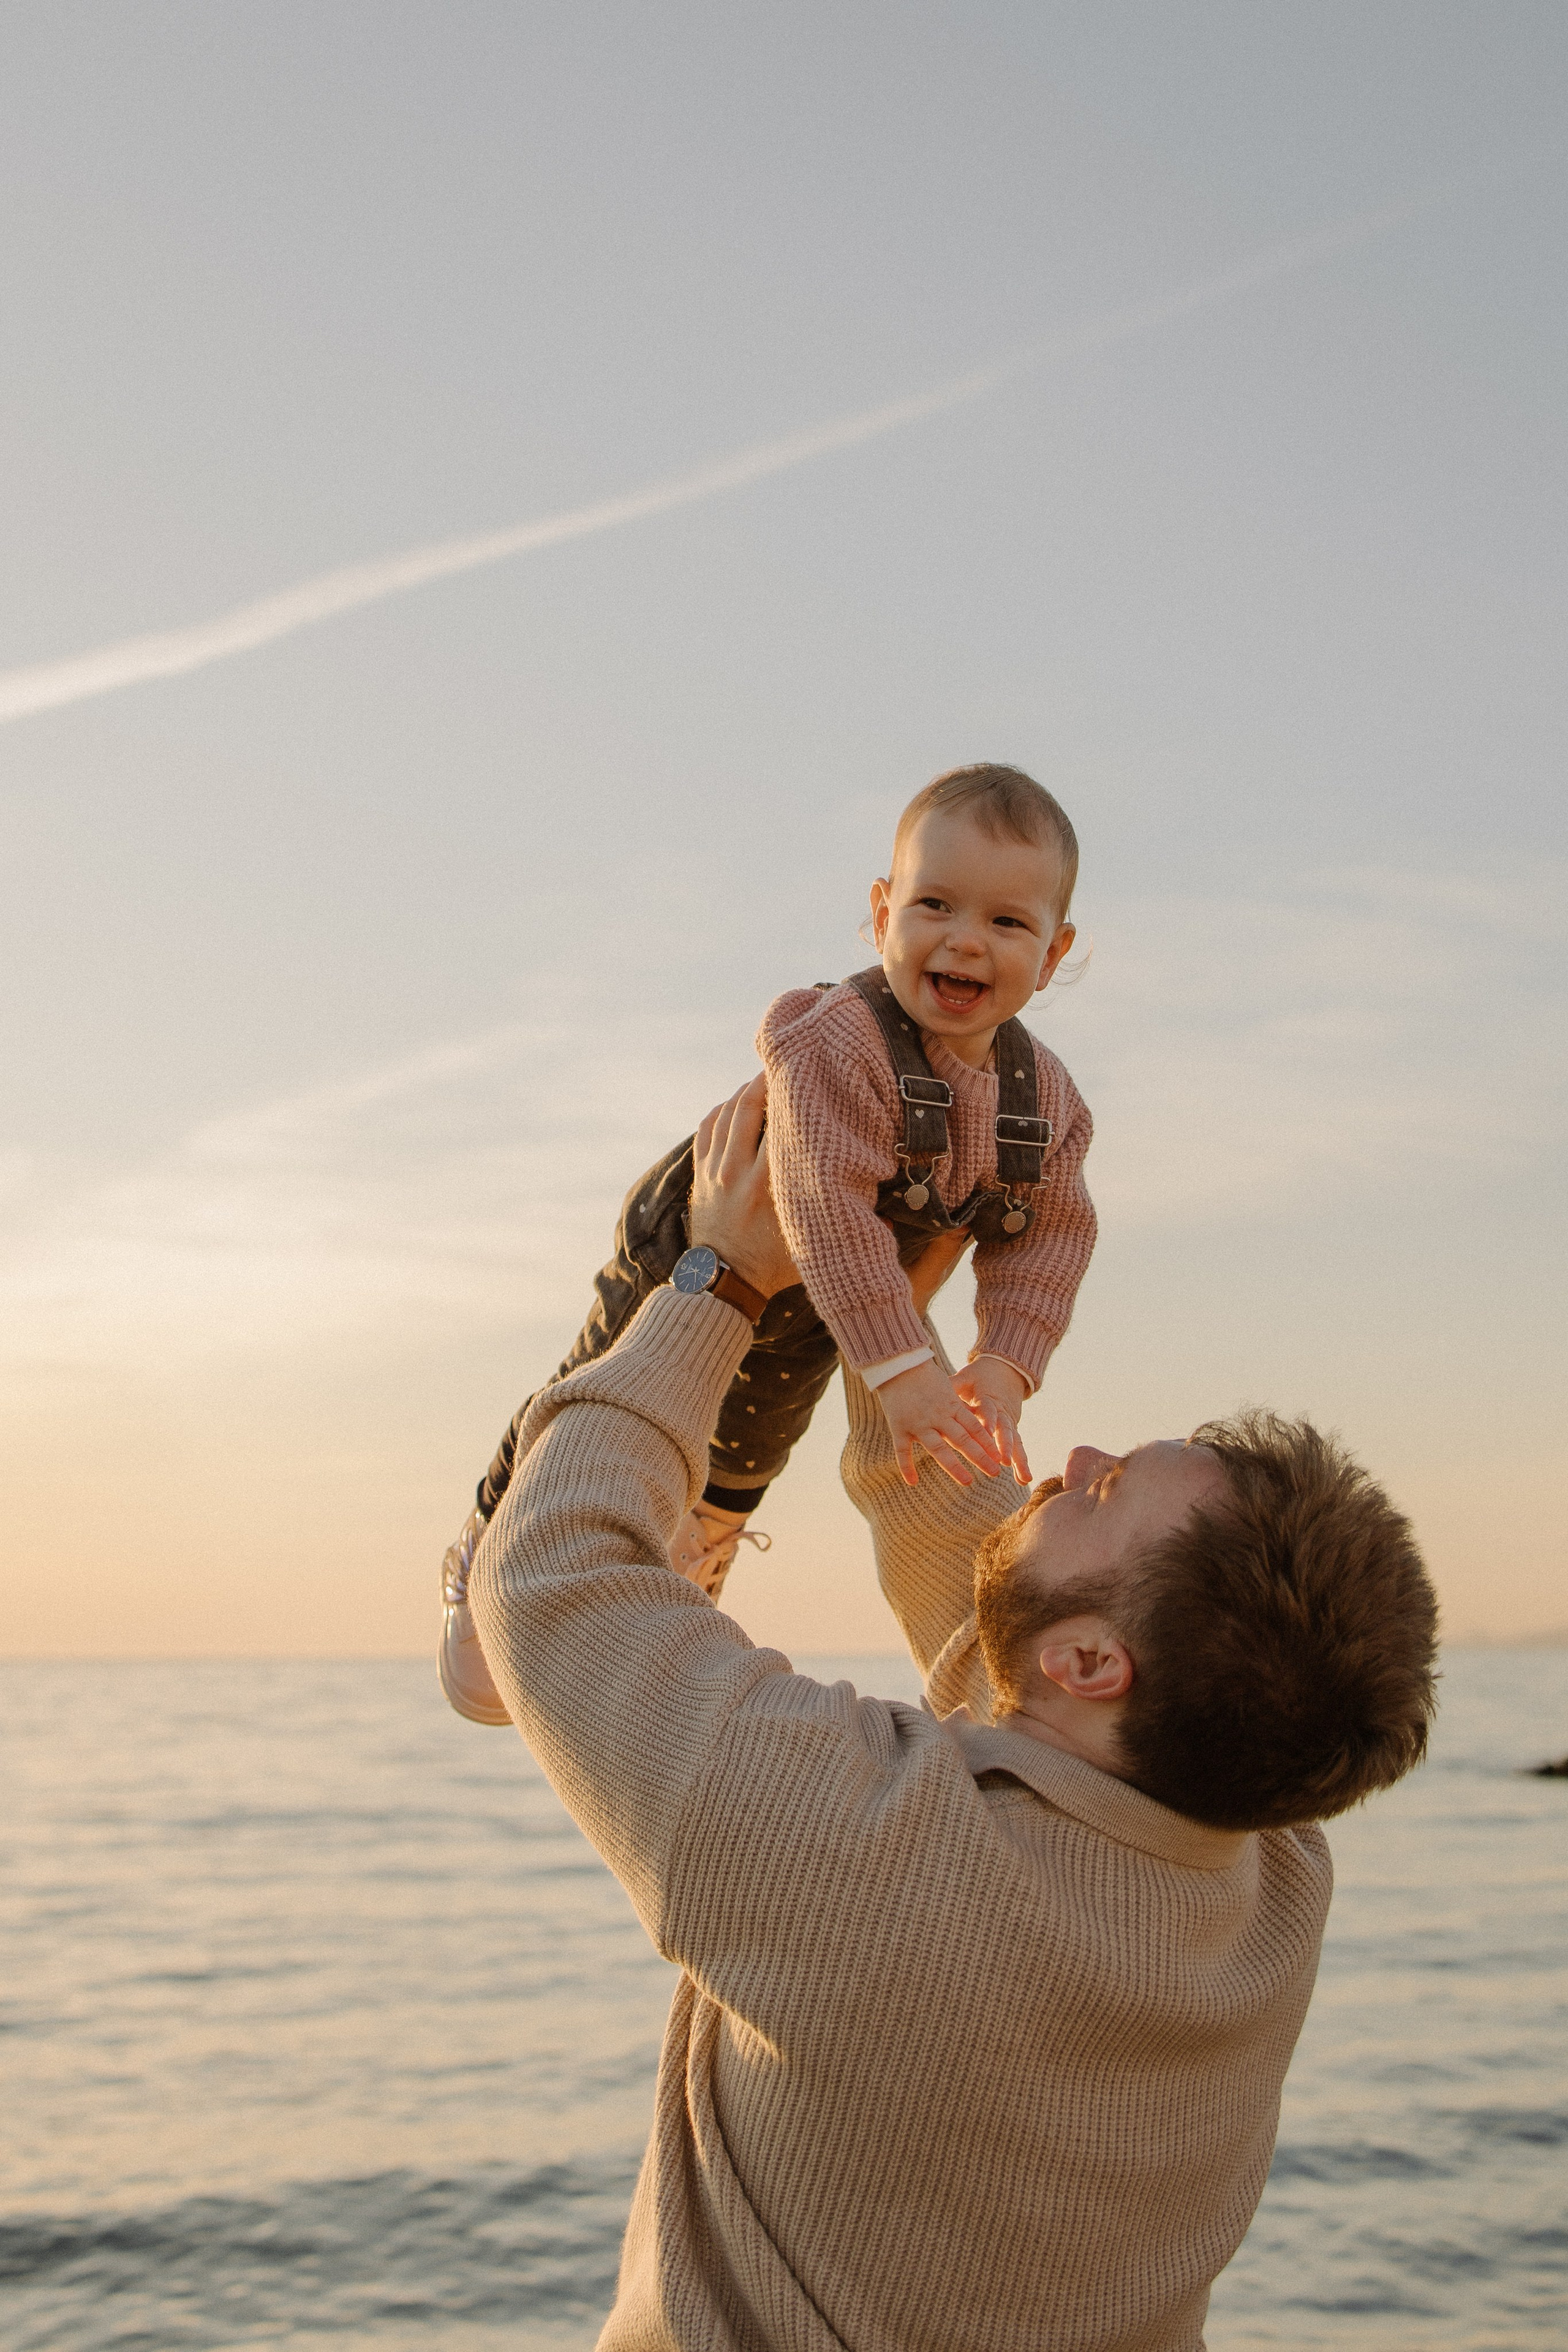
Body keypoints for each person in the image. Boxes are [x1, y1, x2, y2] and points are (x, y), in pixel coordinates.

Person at [468, 1079, 1439, 2352]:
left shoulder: (854, 1848)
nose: (1074, 1458)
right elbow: (990, 1592)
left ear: (1092, 1663)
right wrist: (890, 1329)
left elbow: (553, 1575)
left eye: (1097, 1494)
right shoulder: (1261, 1874)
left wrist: (718, 1279)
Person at [442, 761, 1097, 1724]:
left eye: (1007, 922)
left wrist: (1006, 1363)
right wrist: (907, 1369)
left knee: (764, 1423)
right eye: (935, 905)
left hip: (838, 1306)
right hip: (711, 1240)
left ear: (1052, 953)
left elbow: (1049, 1237)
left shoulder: (1045, 1105)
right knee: (613, 1372)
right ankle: (500, 1529)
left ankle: (696, 1544)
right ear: (882, 917)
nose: (965, 940)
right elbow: (827, 1208)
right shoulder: (838, 1042)